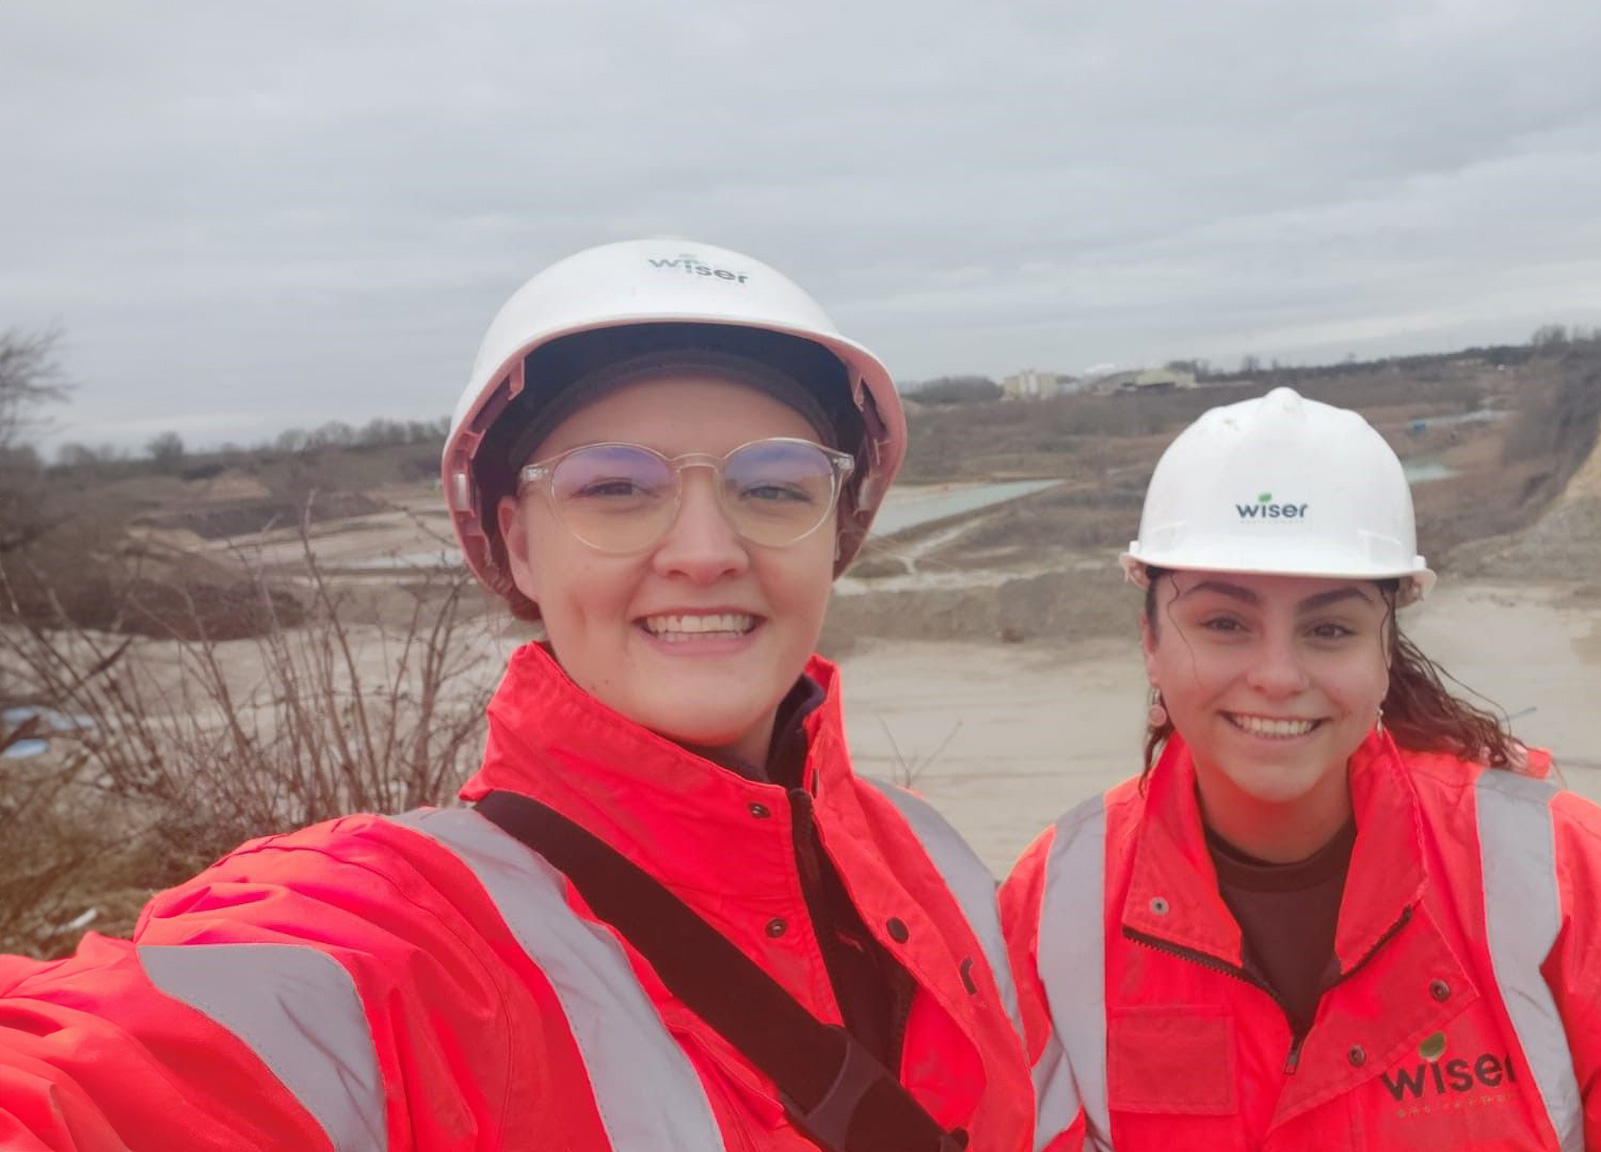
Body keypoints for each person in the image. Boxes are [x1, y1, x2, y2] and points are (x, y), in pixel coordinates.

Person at [0, 240, 1033, 1151]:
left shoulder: (926, 855)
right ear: (514, 543)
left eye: (774, 485)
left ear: (836, 533)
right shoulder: (402, 940)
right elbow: (99, 1082)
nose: (707, 551)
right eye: (613, 488)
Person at [1000, 387, 1601, 1151]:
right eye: (1223, 622)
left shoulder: (1585, 892)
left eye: (1329, 630)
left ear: (1384, 655)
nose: (1278, 675)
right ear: (1149, 641)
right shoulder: (1056, 909)